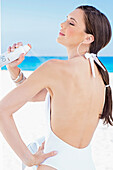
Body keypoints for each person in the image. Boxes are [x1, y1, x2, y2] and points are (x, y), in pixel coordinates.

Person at [0, 5, 113, 170]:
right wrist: (14, 70)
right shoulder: (101, 74)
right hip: (86, 164)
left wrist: (28, 158)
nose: (62, 25)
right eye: (66, 19)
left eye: (71, 23)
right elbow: (35, 95)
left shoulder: (54, 68)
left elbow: (3, 109)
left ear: (88, 38)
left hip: (54, 164)